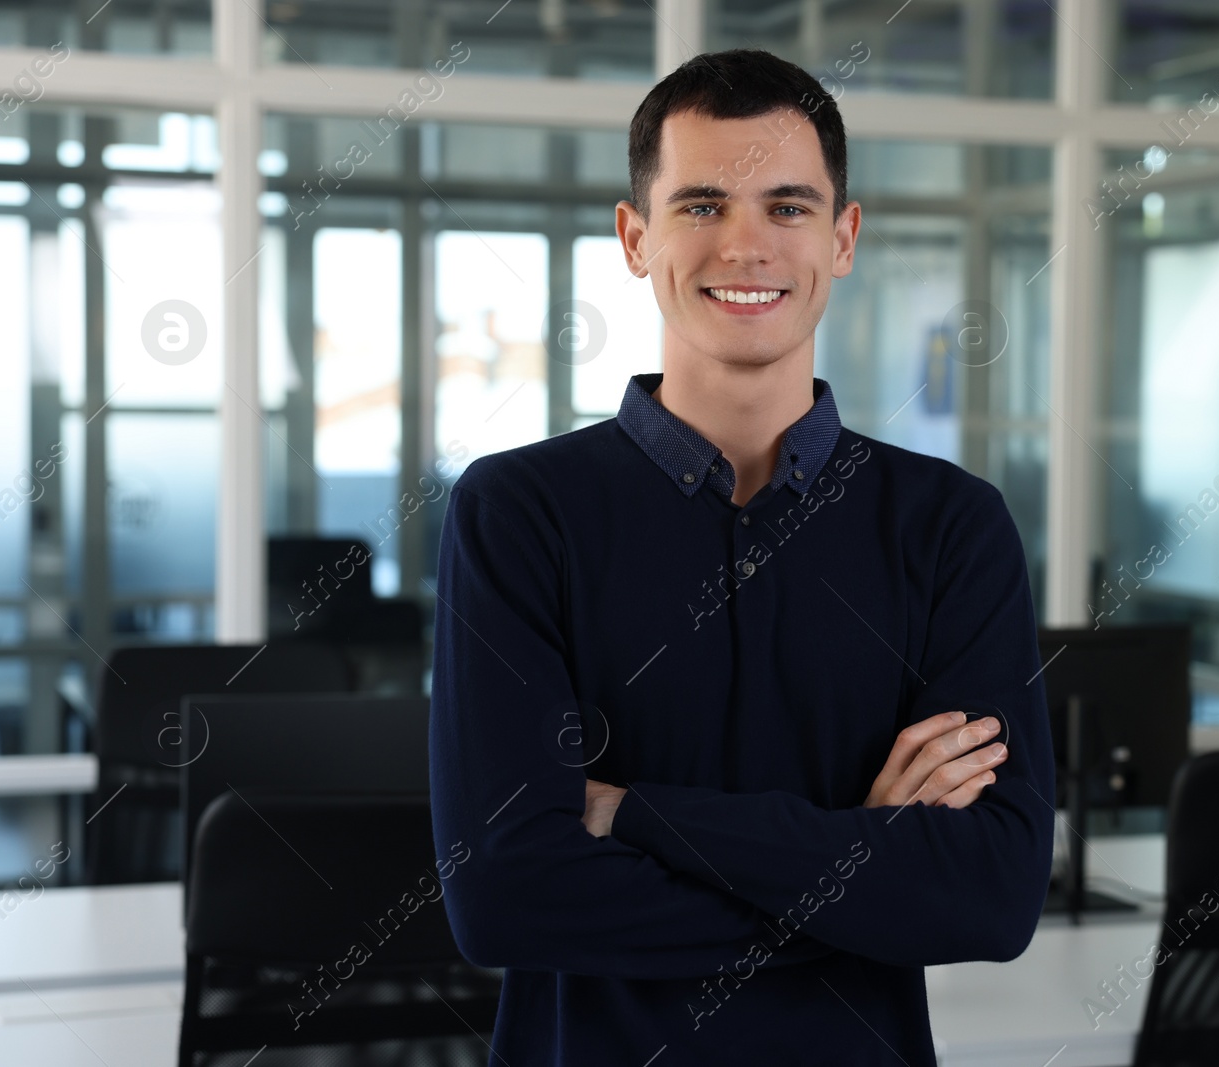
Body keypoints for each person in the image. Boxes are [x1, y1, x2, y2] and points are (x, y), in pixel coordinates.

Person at [430, 47, 1054, 1066]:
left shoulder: (951, 525)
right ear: (635, 238)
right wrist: (861, 854)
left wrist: (631, 812)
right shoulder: (518, 513)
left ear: (843, 237)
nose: (746, 244)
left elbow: (988, 895)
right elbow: (502, 896)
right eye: (702, 205)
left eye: (789, 207)